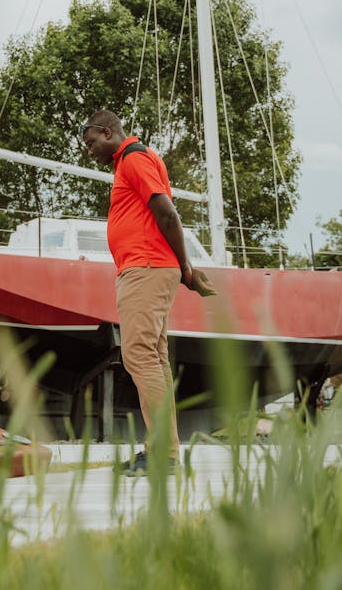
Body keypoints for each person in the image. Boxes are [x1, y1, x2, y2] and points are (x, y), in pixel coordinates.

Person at [81, 109, 213, 476]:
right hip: (148, 266)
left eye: (91, 142)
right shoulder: (134, 159)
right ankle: (165, 452)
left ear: (107, 132)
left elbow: (167, 213)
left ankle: (163, 455)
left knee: (138, 354)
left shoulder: (134, 158)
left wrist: (186, 267)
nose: (89, 151)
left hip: (147, 266)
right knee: (153, 357)